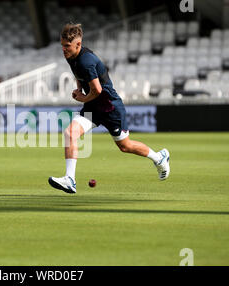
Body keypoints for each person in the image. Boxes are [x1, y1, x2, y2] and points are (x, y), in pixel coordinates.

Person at [48, 23, 170, 194]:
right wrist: (79, 88)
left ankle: (159, 157)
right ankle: (70, 179)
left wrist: (82, 97)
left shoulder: (85, 61)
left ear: (78, 44)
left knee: (125, 146)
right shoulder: (71, 56)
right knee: (70, 133)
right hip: (93, 107)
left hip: (109, 107)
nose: (63, 49)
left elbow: (97, 90)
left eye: (67, 46)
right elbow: (79, 75)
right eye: (62, 45)